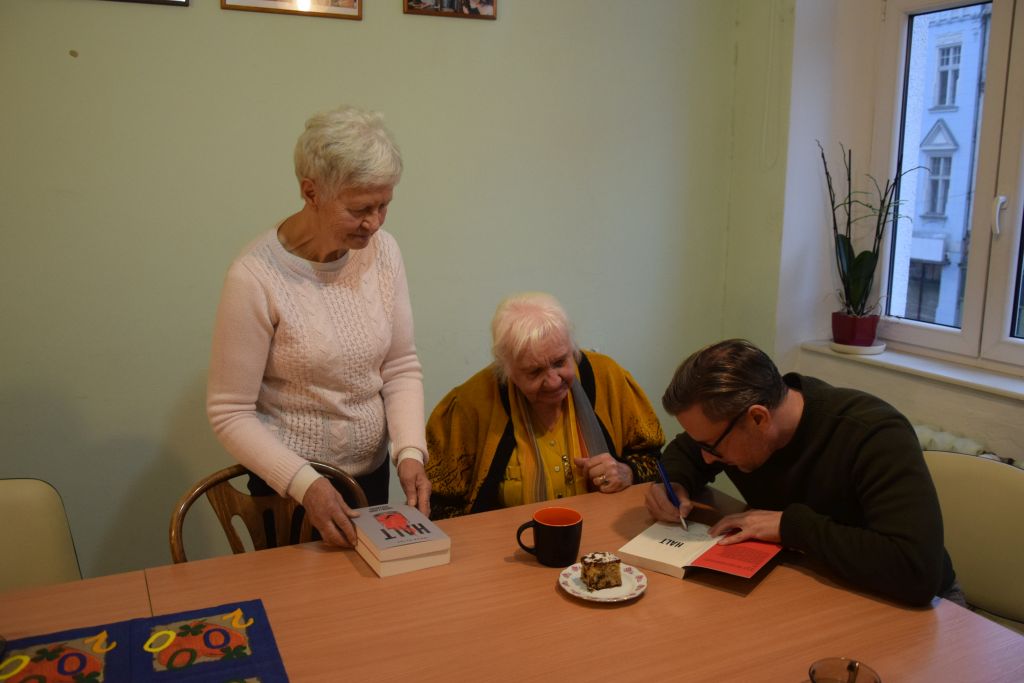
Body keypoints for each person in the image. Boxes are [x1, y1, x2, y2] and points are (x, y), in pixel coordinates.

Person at [207, 105, 430, 548]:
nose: (375, 222)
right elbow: (229, 412)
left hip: (371, 474)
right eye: (359, 209)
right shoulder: (255, 277)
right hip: (290, 488)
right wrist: (303, 483)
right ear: (311, 192)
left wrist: (408, 450)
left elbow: (400, 365)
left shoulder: (383, 252)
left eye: (384, 205)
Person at [646, 339, 959, 607]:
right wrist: (674, 483)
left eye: (711, 447)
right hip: (819, 583)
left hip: (918, 603)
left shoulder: (872, 434)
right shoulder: (732, 424)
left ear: (758, 419)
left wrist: (789, 526)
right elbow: (688, 451)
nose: (706, 456)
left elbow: (916, 570)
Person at [427, 292, 664, 519]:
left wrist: (627, 472)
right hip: (510, 547)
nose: (553, 381)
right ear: (506, 370)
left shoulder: (608, 379)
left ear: (573, 349)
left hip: (602, 534)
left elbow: (656, 462)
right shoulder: (471, 404)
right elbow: (437, 505)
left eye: (560, 362)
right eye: (534, 371)